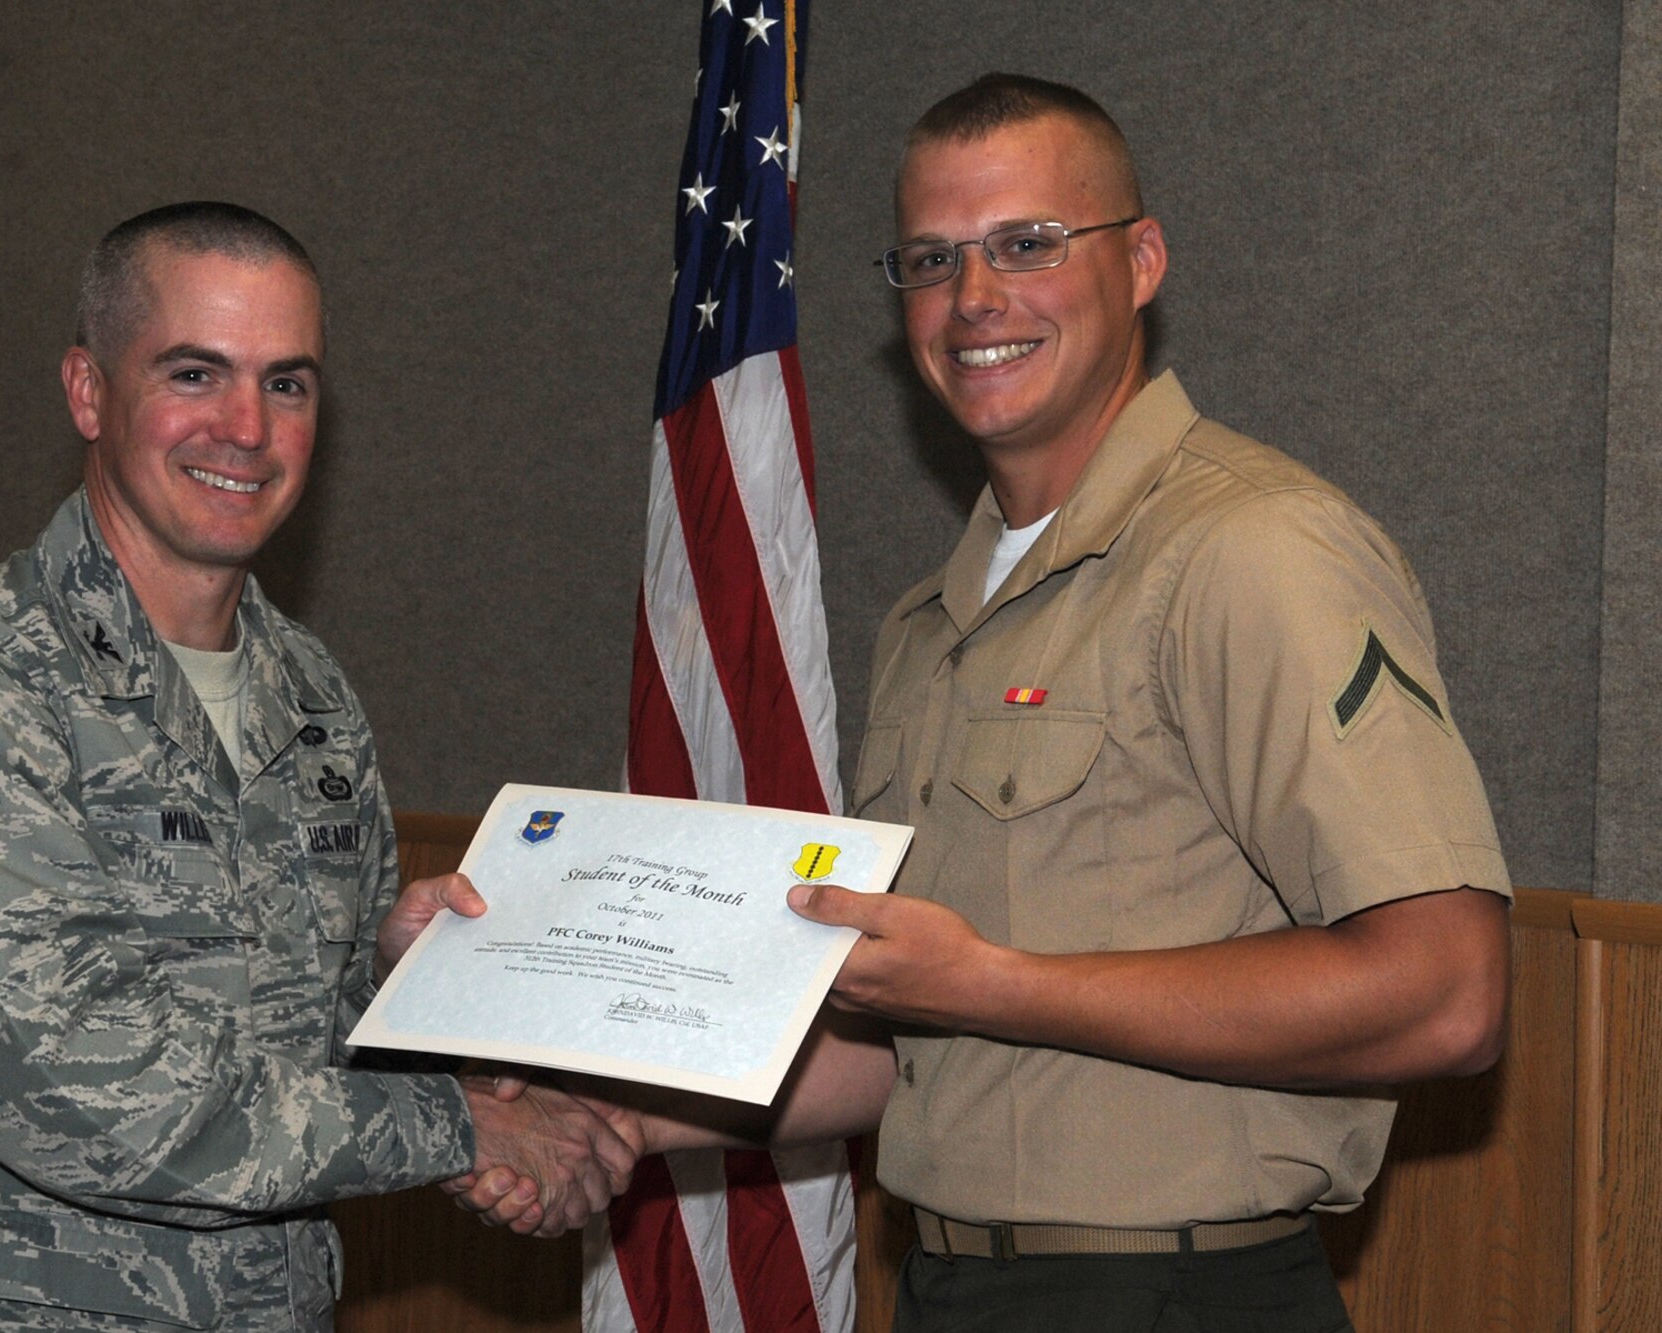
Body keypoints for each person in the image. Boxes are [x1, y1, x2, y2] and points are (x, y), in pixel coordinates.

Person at [459, 74, 1513, 1332]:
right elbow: (905, 1042)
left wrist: (994, 984)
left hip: (1171, 1292)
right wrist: (611, 1124)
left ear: (1140, 261)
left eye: (1026, 245)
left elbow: (1447, 991)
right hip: (957, 1287)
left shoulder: (1250, 551)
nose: (974, 300)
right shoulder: (932, 622)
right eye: (930, 259)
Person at [0, 201, 637, 1331]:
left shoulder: (311, 695)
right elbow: (78, 1092)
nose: (246, 426)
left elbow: (289, 1050)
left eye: (286, 383)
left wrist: (411, 998)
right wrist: (457, 1127)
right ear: (89, 391)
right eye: (195, 374)